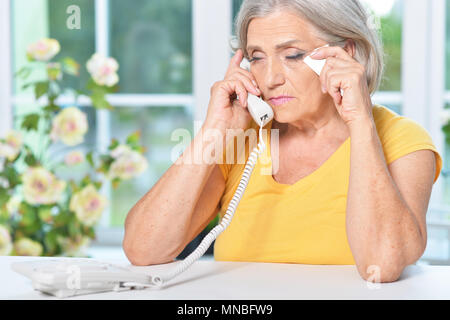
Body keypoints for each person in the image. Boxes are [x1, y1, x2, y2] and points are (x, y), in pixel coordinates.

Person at [123, 0, 442, 283]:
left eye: (293, 55)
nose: (271, 78)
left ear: (345, 54)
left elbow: (382, 265)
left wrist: (360, 122)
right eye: (257, 57)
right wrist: (214, 130)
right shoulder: (243, 139)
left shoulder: (403, 140)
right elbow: (143, 250)